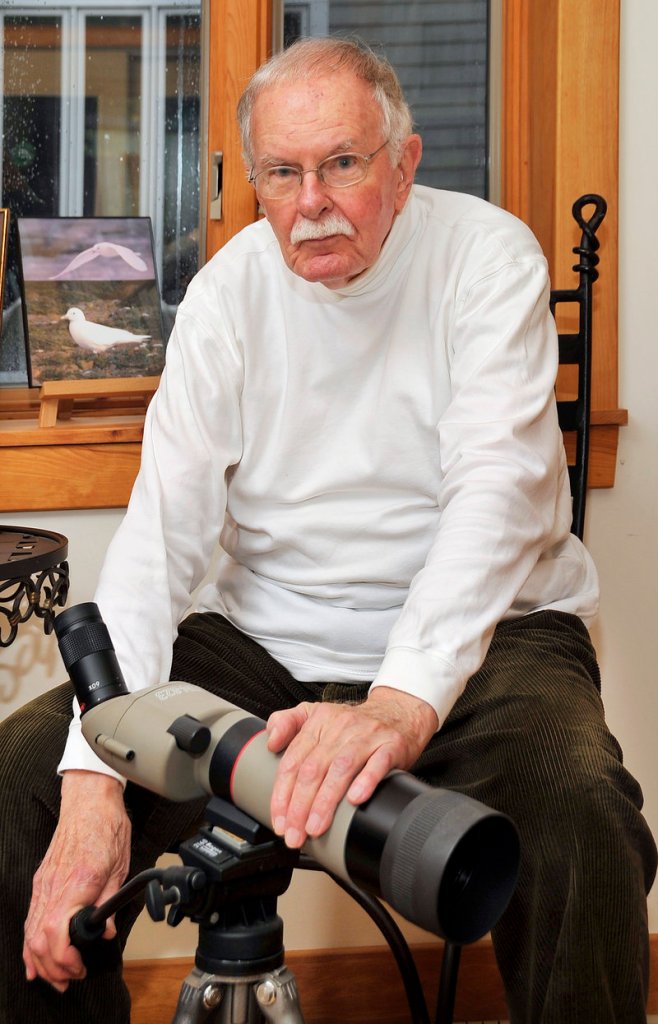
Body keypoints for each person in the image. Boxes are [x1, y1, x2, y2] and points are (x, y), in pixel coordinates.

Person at [0, 36, 655, 1024]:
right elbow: (159, 538)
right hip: (260, 641)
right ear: (254, 179)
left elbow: (494, 499)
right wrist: (97, 771)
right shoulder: (226, 295)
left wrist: (397, 707)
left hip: (489, 645)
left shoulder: (484, 260)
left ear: (403, 160)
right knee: (23, 788)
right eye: (282, 171)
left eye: (342, 163)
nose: (310, 201)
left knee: (581, 812)